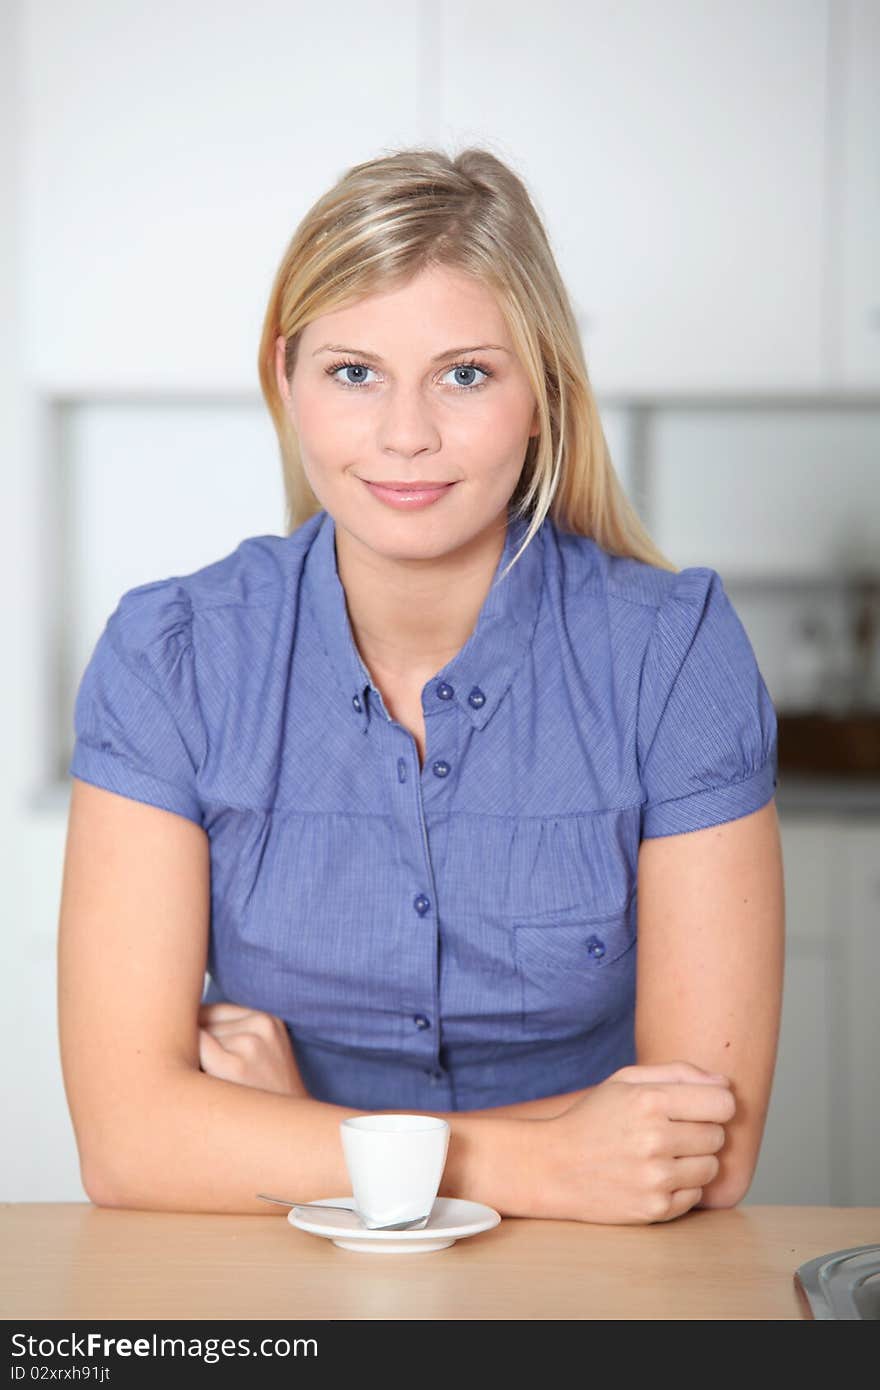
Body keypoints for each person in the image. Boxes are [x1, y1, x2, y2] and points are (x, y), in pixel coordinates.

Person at [57, 147, 784, 1225]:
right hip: (273, 1285)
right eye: (353, 373)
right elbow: (127, 1143)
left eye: (466, 374)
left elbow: (698, 1154)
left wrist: (295, 1135)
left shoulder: (673, 654)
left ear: (541, 394)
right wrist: (535, 1162)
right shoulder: (170, 656)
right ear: (285, 380)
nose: (406, 434)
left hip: (589, 1290)